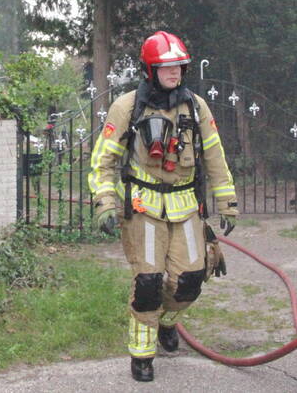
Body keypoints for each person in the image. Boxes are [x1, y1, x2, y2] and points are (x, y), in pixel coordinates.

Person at [88, 31, 237, 383]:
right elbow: (102, 162)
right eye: (166, 66)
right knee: (149, 282)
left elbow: (214, 155)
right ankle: (142, 356)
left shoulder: (196, 107)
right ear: (150, 69)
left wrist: (227, 202)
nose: (175, 72)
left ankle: (168, 323)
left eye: (179, 66)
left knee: (190, 279)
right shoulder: (126, 107)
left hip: (185, 205)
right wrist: (105, 202)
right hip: (143, 207)